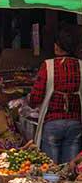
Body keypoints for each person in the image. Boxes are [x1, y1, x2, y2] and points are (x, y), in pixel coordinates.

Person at [29, 27, 82, 164]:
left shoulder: (48, 66)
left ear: (57, 46)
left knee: (51, 169)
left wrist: (30, 102)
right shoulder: (80, 66)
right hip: (76, 122)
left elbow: (36, 96)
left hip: (52, 122)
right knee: (70, 168)